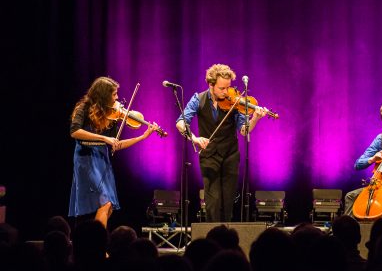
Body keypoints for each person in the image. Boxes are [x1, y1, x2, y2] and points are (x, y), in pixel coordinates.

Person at [176, 64, 266, 222]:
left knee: (228, 201)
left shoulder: (234, 102)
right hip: (209, 156)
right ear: (211, 85)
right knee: (213, 201)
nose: (226, 92)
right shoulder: (199, 99)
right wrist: (195, 139)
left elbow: (244, 130)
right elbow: (181, 123)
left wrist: (256, 118)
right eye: (222, 88)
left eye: (228, 87)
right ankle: (213, 237)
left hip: (230, 155)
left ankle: (226, 237)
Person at [69, 76, 158, 228]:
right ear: (103, 95)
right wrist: (104, 138)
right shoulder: (83, 108)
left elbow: (116, 144)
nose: (117, 98)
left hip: (102, 159)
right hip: (86, 158)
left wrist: (143, 137)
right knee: (105, 203)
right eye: (114, 94)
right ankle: (99, 246)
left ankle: (93, 241)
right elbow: (75, 132)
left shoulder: (112, 115)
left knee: (108, 207)